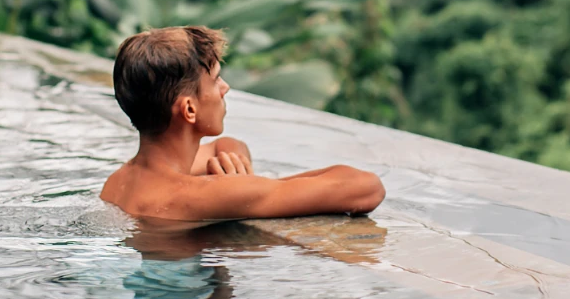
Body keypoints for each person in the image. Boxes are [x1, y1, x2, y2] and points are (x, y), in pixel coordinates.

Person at [100, 26, 386, 222]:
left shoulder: (118, 182)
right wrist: (242, 188)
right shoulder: (201, 196)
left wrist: (235, 173)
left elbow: (226, 146)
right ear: (189, 109)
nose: (224, 88)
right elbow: (367, 188)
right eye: (215, 80)